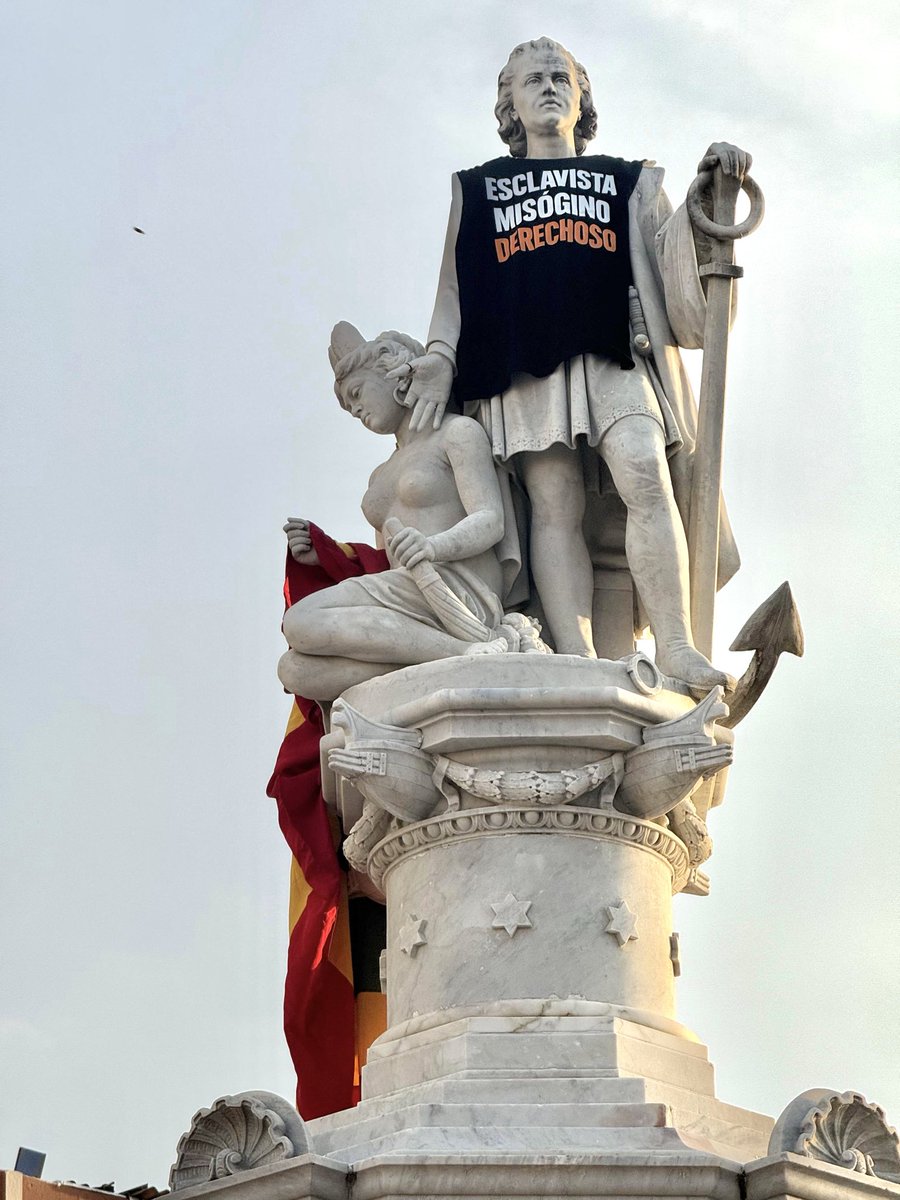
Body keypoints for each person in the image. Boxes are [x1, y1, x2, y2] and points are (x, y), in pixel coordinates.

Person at [400, 37, 747, 690]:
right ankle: (578, 664)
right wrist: (441, 356)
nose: (549, 87)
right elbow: (453, 292)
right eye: (531, 80)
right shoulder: (477, 191)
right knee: (553, 504)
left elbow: (675, 256)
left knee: (645, 470)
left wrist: (708, 197)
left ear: (581, 96)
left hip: (615, 350)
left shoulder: (628, 181)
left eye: (561, 77)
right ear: (510, 103)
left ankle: (675, 645)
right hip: (519, 361)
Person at [278, 322, 520, 704]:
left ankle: (469, 651)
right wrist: (325, 554)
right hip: (404, 592)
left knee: (300, 622)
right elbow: (386, 561)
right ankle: (444, 658)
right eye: (347, 404)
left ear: (392, 372)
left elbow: (491, 520)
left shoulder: (457, 433)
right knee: (293, 669)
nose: (354, 409)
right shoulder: (380, 476)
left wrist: (433, 547)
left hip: (456, 586)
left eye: (356, 393)